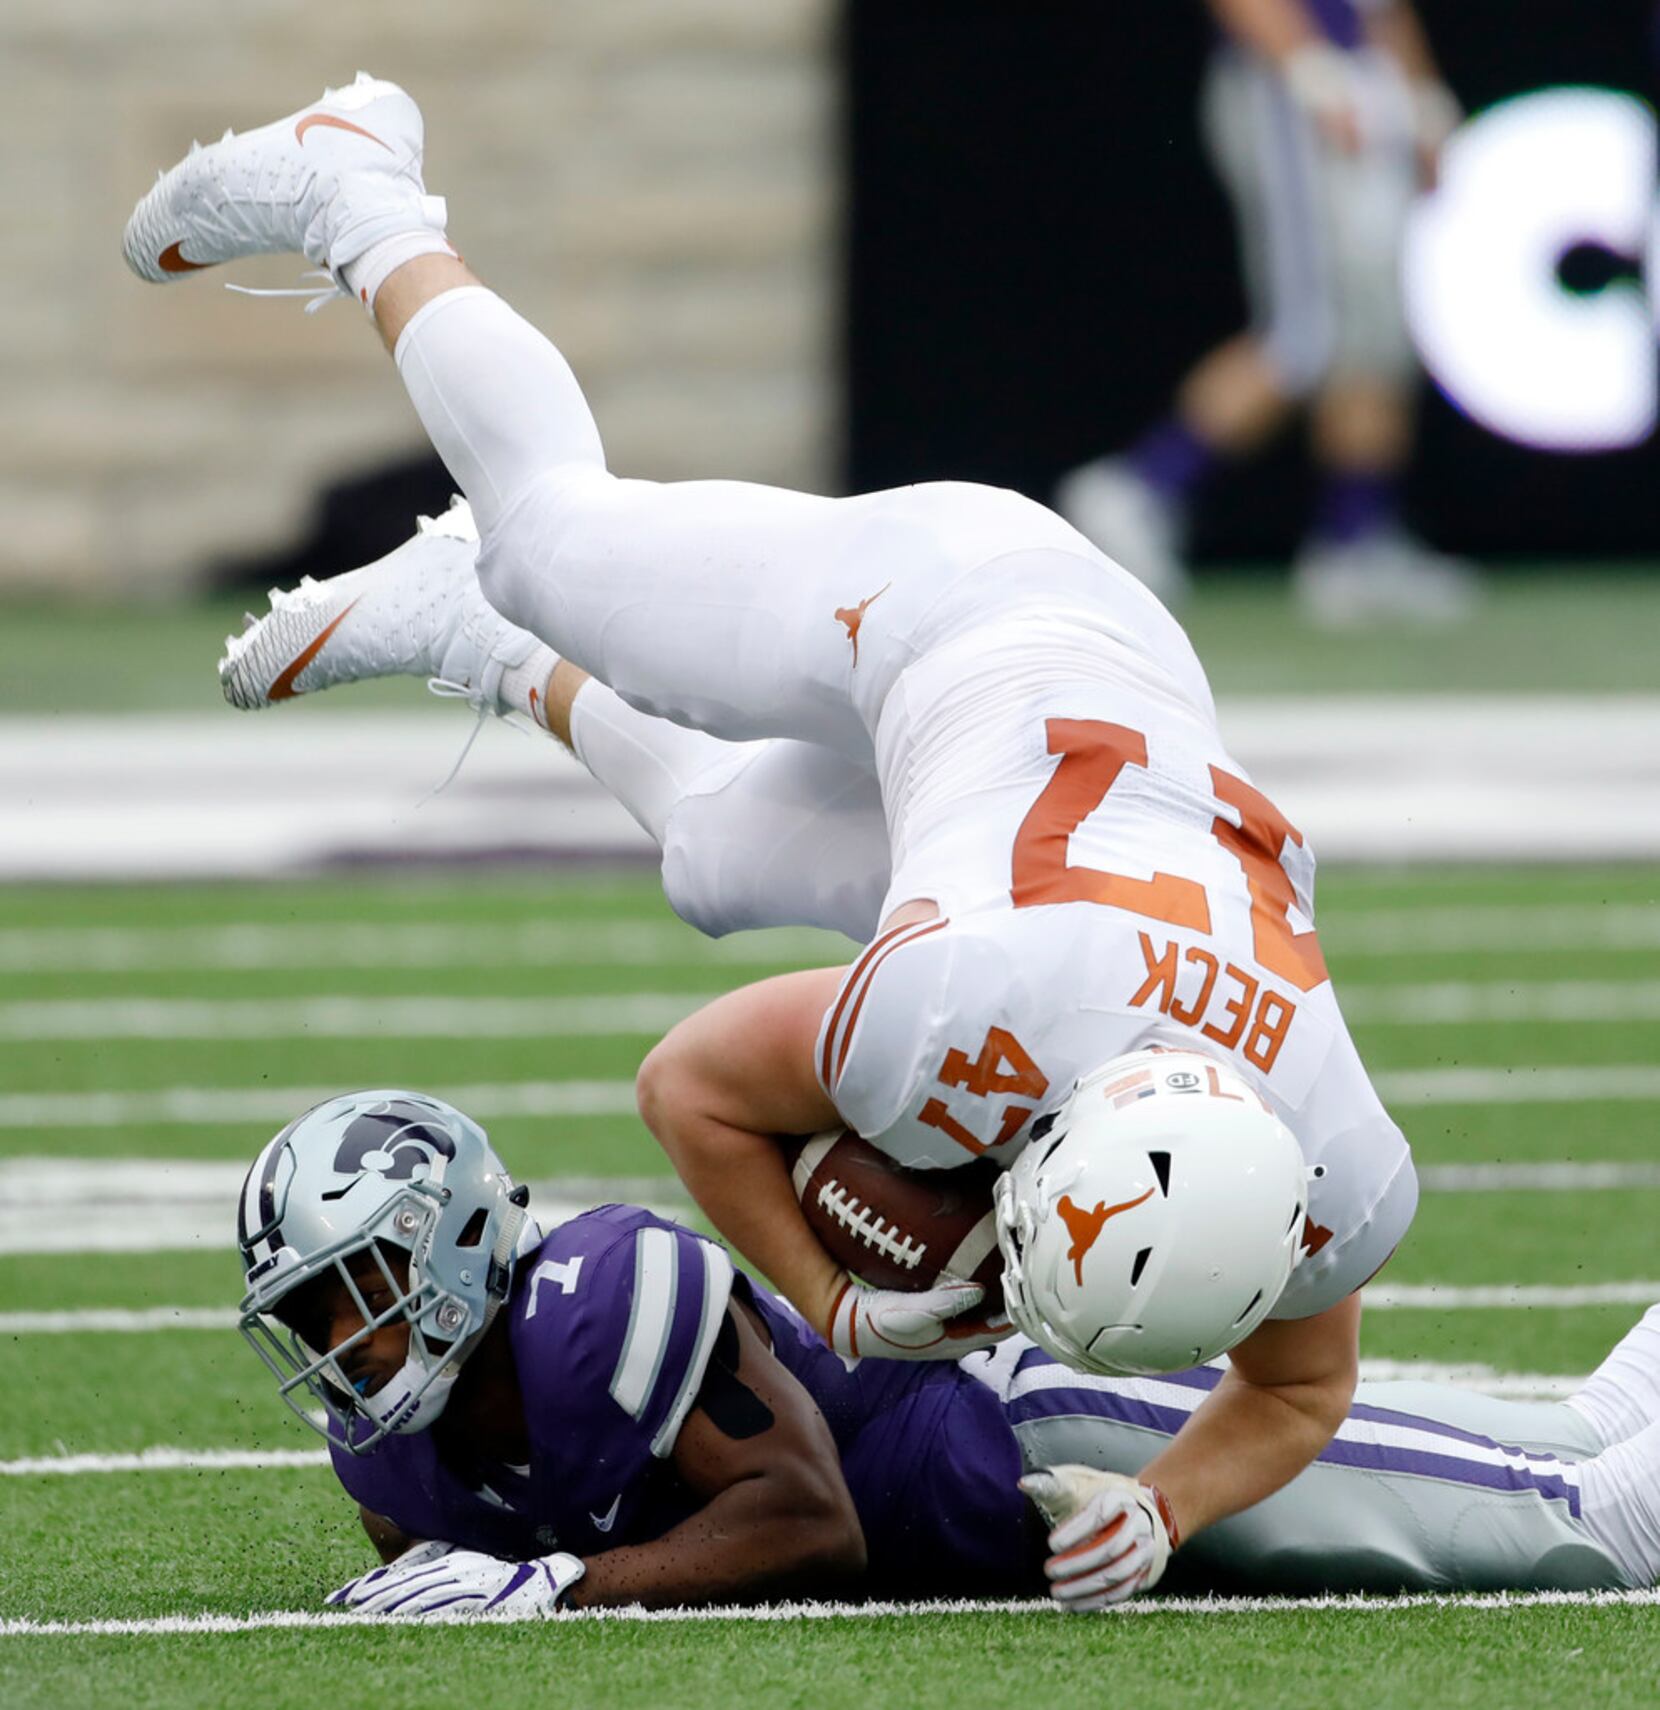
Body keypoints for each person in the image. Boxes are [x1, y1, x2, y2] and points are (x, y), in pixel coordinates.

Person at [127, 73, 1419, 1584]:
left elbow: (1300, 1382)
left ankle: (471, 634)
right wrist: (840, 1300)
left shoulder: (1339, 1153)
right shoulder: (963, 1004)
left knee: (718, 859)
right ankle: (362, 191)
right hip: (969, 602)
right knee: (549, 538)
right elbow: (691, 1086)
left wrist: (1166, 1500)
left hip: (1065, 788)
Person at [239, 1091, 1660, 1616]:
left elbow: (810, 1523)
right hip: (1016, 1525)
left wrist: (561, 1583)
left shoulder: (608, 1292)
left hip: (1057, 1436)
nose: (339, 1344)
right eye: (311, 1317)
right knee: (1578, 1428)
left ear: (462, 1246)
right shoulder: (385, 1447)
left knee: (1584, 1522)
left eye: (357, 1291)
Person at [1055, 0, 1477, 623]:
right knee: (1302, 334)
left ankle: (1355, 540)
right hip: (1291, 84)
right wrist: (1310, 72)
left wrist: (1420, 99)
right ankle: (1137, 488)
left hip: (1364, 83)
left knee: (1373, 335)